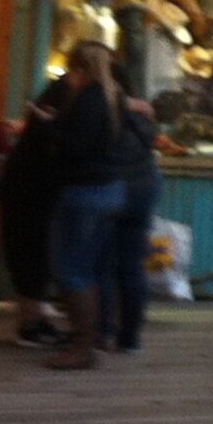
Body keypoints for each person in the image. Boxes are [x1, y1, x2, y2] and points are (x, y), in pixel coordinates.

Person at [46, 42, 127, 371]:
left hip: (84, 191)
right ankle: (97, 337)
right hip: (110, 189)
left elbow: (76, 148)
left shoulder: (87, 100)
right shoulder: (113, 97)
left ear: (78, 69)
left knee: (72, 270)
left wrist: (49, 126)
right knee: (95, 267)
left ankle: (82, 346)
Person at [0, 77, 70, 351]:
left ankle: (35, 320)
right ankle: (29, 324)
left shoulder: (37, 130)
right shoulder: (46, 131)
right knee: (32, 260)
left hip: (26, 195)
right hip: (31, 198)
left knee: (30, 260)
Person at [102, 64, 159, 356]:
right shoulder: (142, 114)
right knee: (132, 266)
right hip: (144, 189)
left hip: (114, 191)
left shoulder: (107, 111)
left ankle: (103, 330)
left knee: (105, 264)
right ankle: (130, 336)